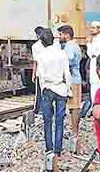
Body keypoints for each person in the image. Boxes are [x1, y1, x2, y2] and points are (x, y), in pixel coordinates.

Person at [36, 29, 71, 169]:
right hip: (61, 89)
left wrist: (44, 87)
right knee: (59, 120)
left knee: (47, 120)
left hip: (48, 89)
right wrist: (68, 89)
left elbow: (41, 74)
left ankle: (49, 148)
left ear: (42, 42)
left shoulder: (41, 54)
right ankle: (58, 148)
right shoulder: (62, 53)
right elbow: (67, 73)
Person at [57, 25, 83, 154]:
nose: (59, 37)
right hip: (75, 79)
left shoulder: (69, 46)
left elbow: (69, 58)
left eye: (61, 34)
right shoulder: (74, 45)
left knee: (74, 107)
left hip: (72, 80)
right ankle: (74, 133)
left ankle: (74, 134)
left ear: (67, 34)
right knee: (75, 107)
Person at [31, 26, 47, 114]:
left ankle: (38, 109)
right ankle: (46, 109)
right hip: (48, 72)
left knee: (39, 92)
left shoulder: (35, 46)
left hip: (40, 72)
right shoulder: (50, 44)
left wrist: (33, 74)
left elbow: (35, 62)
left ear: (37, 35)